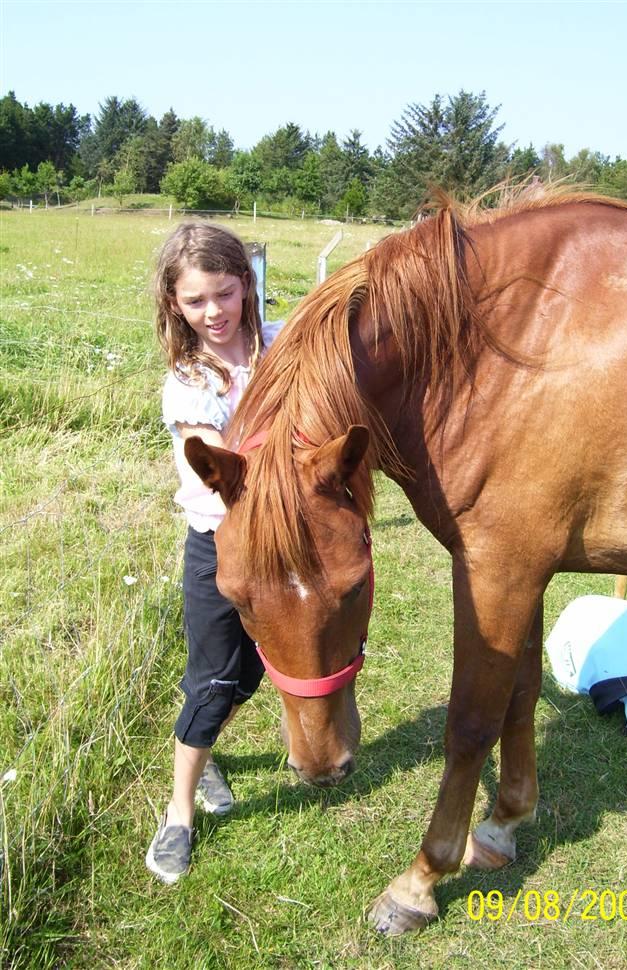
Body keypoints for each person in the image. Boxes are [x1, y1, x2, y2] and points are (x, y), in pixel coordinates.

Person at [146, 222, 283, 884]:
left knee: (253, 672)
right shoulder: (189, 380)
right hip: (216, 548)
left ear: (246, 286)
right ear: (175, 304)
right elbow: (221, 469)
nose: (214, 313)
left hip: (277, 544)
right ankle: (178, 813)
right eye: (196, 301)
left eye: (225, 295)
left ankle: (202, 748)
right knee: (213, 683)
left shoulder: (280, 348)